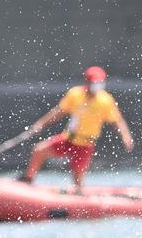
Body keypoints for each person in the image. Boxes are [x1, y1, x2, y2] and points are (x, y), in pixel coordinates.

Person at [19, 65, 134, 193]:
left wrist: (125, 136)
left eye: (100, 82)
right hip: (68, 139)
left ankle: (78, 195)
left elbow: (117, 121)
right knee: (39, 150)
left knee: (78, 179)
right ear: (87, 81)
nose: (97, 85)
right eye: (95, 82)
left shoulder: (105, 100)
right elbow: (58, 112)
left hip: (85, 145)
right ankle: (27, 180)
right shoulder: (75, 94)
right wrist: (40, 124)